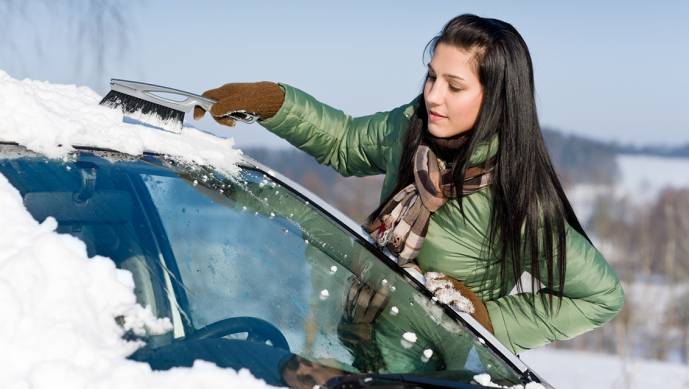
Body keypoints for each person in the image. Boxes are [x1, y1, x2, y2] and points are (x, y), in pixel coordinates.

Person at [193, 13, 624, 356]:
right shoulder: (411, 127)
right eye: (431, 77)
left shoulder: (516, 196)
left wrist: (486, 322)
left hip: (438, 375)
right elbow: (344, 142)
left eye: (454, 86)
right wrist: (274, 102)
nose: (433, 96)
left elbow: (600, 297)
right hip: (357, 350)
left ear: (495, 99)